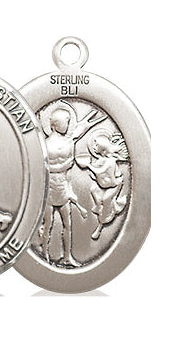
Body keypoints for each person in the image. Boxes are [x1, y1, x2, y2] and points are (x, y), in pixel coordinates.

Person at [39, 102, 103, 266]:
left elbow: (79, 130)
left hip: (63, 188)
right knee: (48, 224)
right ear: (55, 124)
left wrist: (69, 190)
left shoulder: (69, 142)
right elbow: (41, 169)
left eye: (68, 121)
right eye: (65, 122)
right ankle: (44, 254)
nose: (67, 125)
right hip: (48, 190)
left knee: (68, 224)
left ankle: (67, 257)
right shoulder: (43, 145)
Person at [75, 129, 128, 240]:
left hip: (113, 185)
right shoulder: (101, 160)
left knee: (106, 199)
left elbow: (101, 172)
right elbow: (96, 175)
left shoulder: (110, 162)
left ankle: (100, 226)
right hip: (105, 185)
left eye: (97, 145)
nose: (94, 147)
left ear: (103, 148)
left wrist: (89, 166)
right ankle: (99, 207)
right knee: (94, 190)